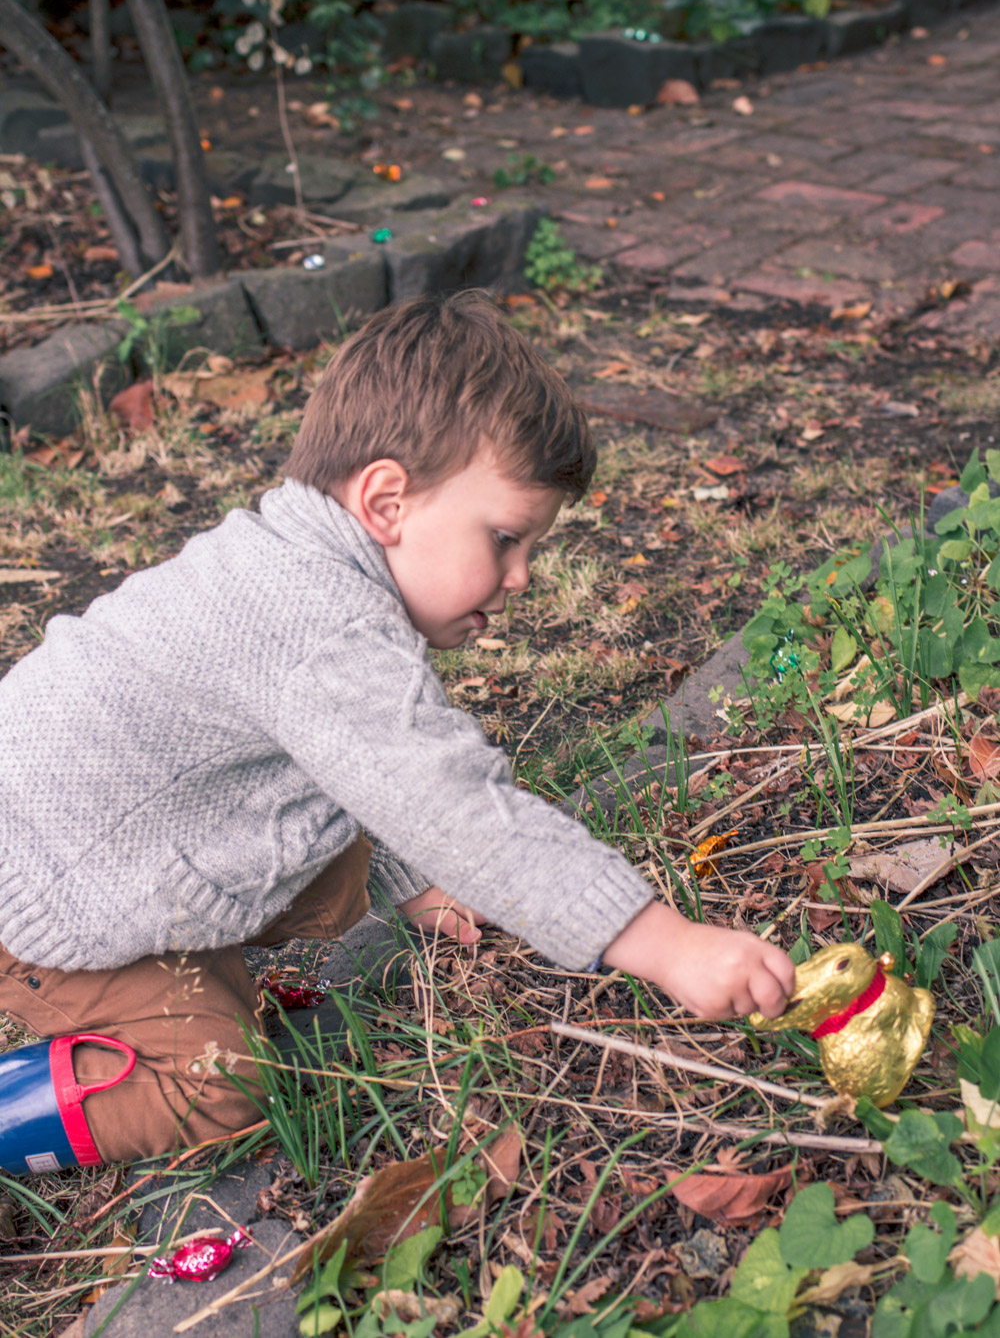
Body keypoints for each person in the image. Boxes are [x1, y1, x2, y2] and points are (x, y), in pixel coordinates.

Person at [0, 291, 794, 1170]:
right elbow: (448, 801)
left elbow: (369, 770)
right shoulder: (319, 626)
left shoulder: (302, 573)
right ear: (386, 501)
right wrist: (664, 943)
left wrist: (415, 876)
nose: (522, 576)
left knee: (341, 863)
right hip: (48, 888)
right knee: (221, 1078)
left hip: (113, 832)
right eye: (505, 538)